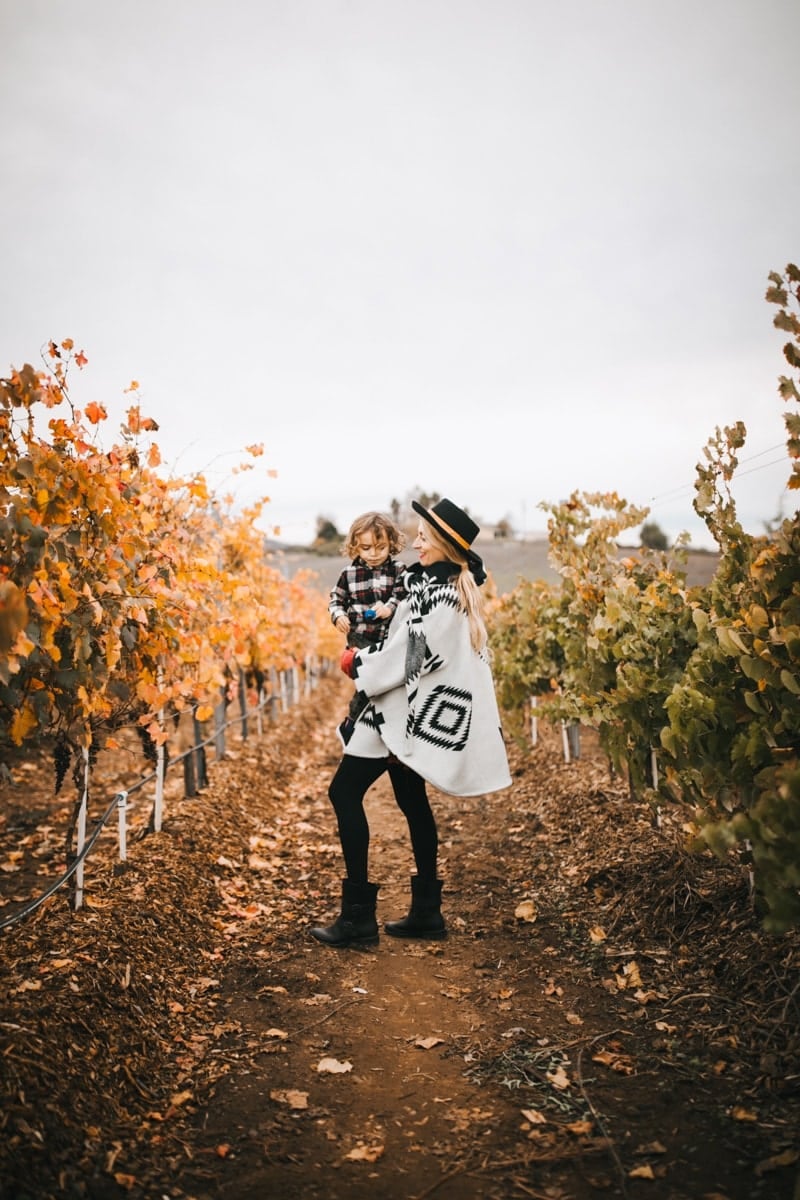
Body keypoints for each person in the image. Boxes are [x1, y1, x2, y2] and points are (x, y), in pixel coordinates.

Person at [311, 497, 511, 949]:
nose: (416, 542)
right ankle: (426, 913)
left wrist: (357, 664)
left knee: (344, 792)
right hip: (400, 709)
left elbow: (412, 655)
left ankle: (359, 920)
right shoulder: (429, 584)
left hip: (396, 710)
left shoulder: (442, 596)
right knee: (410, 798)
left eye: (423, 537)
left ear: (441, 544)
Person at [328, 511, 407, 651]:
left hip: (390, 639)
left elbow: (402, 596)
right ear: (355, 546)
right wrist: (339, 616)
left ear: (391, 544)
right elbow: (336, 599)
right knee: (359, 666)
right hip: (359, 638)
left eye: (381, 548)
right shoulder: (348, 574)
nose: (373, 554)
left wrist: (388, 608)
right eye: (366, 548)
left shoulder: (398, 570)